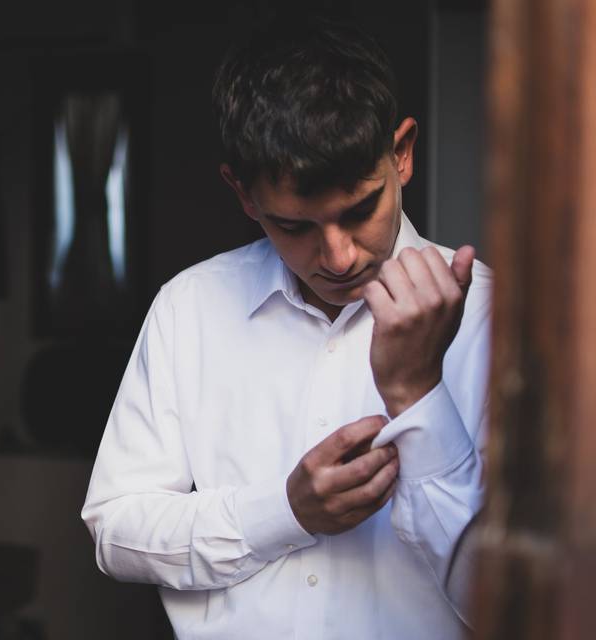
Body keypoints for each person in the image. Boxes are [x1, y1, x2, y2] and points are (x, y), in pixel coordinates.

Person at [81, 17, 491, 640]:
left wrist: (418, 396)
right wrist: (285, 513)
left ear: (401, 154)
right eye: (294, 226)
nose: (339, 257)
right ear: (243, 195)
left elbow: (514, 604)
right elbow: (115, 530)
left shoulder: (496, 320)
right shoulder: (189, 309)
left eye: (359, 211)